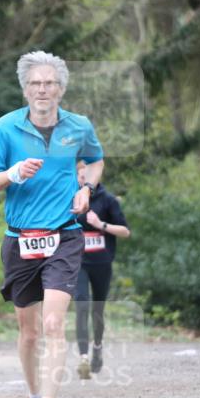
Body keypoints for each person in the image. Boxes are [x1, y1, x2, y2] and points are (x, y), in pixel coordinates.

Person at [0, 51, 105, 398]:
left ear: (61, 88)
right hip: (20, 239)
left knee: (53, 324)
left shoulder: (78, 126)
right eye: (35, 83)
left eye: (49, 83)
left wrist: (86, 188)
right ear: (25, 89)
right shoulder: (5, 128)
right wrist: (13, 173)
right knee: (29, 331)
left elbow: (95, 160)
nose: (42, 90)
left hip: (64, 236)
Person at [74, 162, 130, 379]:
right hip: (78, 262)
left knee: (97, 310)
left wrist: (101, 224)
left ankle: (97, 346)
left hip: (101, 263)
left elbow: (125, 231)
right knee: (81, 305)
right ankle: (83, 358)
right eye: (79, 177)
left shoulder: (108, 200)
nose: (82, 181)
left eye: (85, 177)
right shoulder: (71, 198)